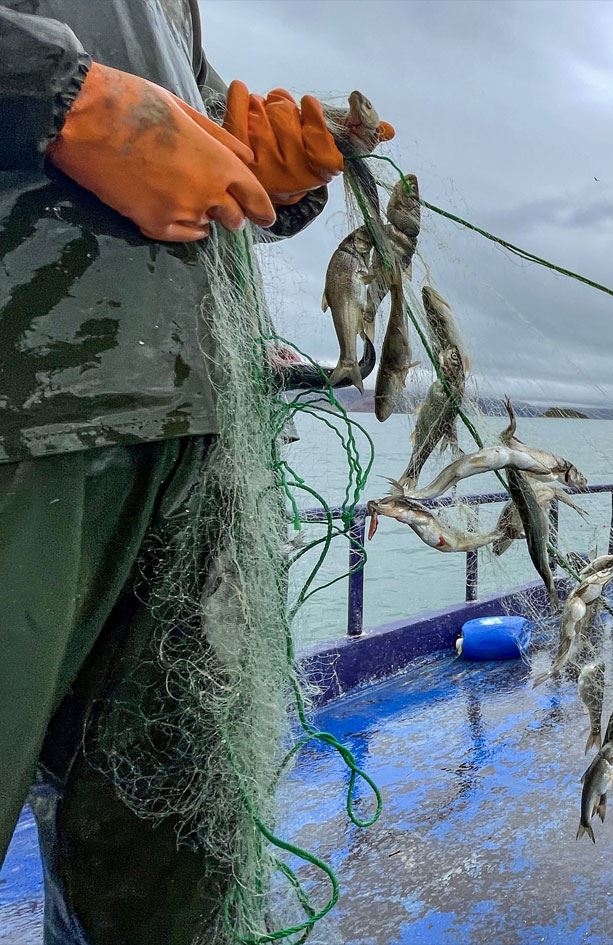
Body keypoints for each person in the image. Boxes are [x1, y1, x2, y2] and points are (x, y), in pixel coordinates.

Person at [0, 2, 390, 940]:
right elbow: (91, 98)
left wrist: (266, 169)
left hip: (197, 425)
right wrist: (55, 98)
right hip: (23, 406)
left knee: (172, 863)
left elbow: (190, 122)